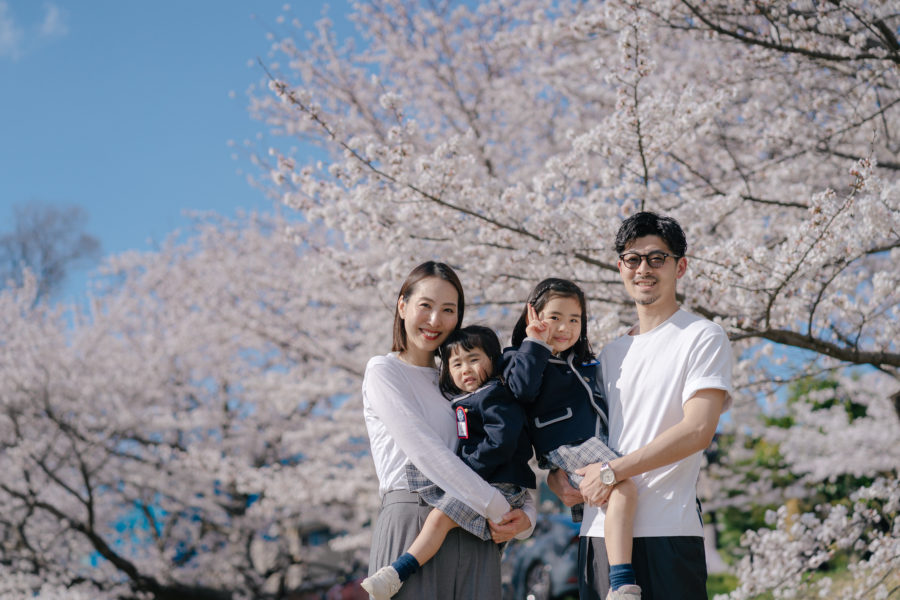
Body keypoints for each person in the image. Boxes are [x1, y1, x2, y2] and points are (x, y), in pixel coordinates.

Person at [547, 212, 734, 600]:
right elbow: (583, 432)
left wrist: (612, 473)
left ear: (680, 266)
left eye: (657, 258)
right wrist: (556, 477)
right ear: (620, 267)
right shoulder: (610, 353)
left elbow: (698, 431)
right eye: (633, 259)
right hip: (599, 535)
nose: (643, 269)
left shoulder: (702, 336)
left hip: (668, 532)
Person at [361, 261, 536, 600]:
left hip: (478, 527)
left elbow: (509, 445)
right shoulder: (385, 371)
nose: (434, 321)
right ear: (402, 306)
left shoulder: (464, 380)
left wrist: (527, 516)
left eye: (448, 310)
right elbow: (426, 452)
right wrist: (498, 508)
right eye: (425, 306)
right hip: (415, 523)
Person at [502, 278, 641, 599]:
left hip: (592, 445)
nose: (564, 327)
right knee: (624, 486)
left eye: (574, 320)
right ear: (533, 316)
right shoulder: (519, 358)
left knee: (620, 496)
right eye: (554, 317)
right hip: (568, 447)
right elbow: (521, 389)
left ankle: (619, 579)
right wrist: (534, 343)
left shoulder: (584, 362)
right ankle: (621, 582)